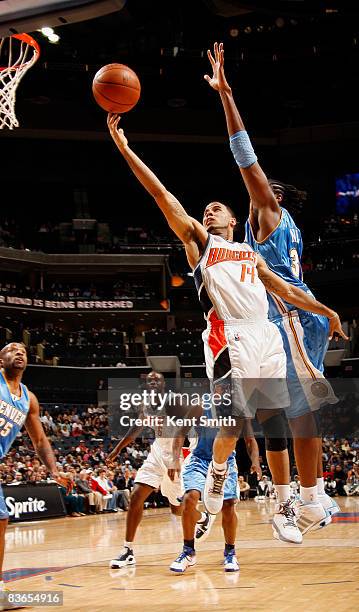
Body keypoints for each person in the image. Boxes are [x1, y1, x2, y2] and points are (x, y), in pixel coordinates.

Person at [106, 113, 346, 538]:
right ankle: (218, 474)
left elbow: (284, 290)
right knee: (233, 422)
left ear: (235, 220)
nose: (210, 209)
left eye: (218, 207)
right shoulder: (203, 244)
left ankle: (285, 503)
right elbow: (163, 196)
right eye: (206, 209)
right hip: (227, 334)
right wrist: (126, 149)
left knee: (275, 425)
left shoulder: (251, 254)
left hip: (266, 333)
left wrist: (325, 310)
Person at [204, 41, 345, 539]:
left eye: (262, 188)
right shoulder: (261, 236)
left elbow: (245, 157)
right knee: (283, 413)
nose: (253, 191)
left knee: (289, 412)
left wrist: (226, 95)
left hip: (289, 317)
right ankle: (300, 499)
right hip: (284, 318)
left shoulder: (268, 216)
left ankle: (302, 499)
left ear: (273, 197)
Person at [0, 342, 70, 596]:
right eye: (11, 349)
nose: (19, 352)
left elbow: (40, 441)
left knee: (2, 519)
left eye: (23, 351)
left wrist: (54, 470)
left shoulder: (28, 399)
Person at [107, 371, 193, 568]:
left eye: (157, 379)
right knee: (136, 495)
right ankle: (127, 550)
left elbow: (183, 430)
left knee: (178, 509)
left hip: (177, 455)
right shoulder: (145, 404)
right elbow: (136, 428)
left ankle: (200, 518)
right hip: (157, 453)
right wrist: (117, 450)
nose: (153, 381)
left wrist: (174, 457)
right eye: (150, 379)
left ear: (163, 384)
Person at [169, 405, 260, 573]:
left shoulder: (239, 410)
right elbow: (180, 432)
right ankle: (188, 552)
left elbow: (250, 440)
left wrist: (255, 460)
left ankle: (230, 552)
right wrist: (175, 459)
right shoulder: (200, 406)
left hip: (226, 461)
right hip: (199, 460)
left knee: (228, 505)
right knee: (189, 499)